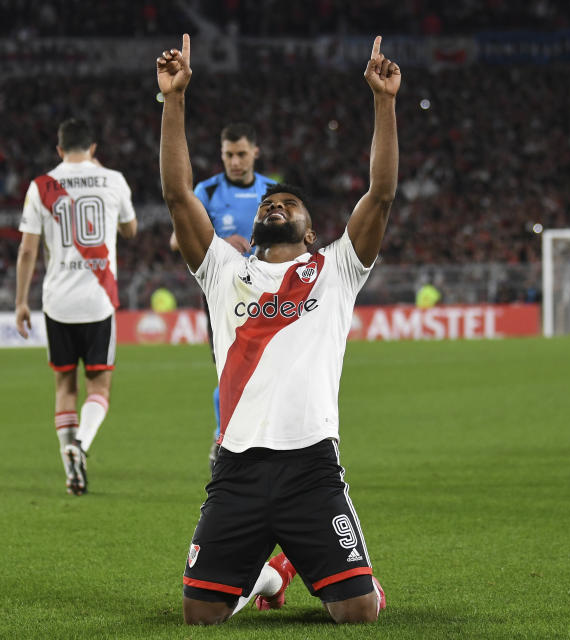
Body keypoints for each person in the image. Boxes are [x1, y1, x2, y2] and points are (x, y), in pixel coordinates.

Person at [157, 33, 398, 625]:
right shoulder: (223, 272)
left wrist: (385, 103)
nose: (274, 207)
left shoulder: (335, 269)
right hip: (237, 466)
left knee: (360, 614)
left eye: (288, 205)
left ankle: (312, 567)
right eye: (270, 204)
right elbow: (176, 195)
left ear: (311, 231)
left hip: (311, 466)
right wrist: (174, 100)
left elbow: (382, 193)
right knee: (198, 615)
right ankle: (268, 574)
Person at [15, 118, 138, 494]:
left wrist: (21, 301)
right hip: (98, 299)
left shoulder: (41, 186)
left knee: (64, 385)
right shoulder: (113, 180)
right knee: (99, 385)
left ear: (59, 150)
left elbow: (28, 250)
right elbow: (131, 230)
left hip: (57, 302)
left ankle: (70, 463)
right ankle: (80, 446)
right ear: (93, 149)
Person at [169, 123, 276, 471]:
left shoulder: (273, 192)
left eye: (242, 154)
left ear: (255, 152)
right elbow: (176, 240)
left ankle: (266, 441)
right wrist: (218, 242)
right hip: (223, 297)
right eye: (229, 154)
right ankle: (224, 437)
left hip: (268, 293)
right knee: (230, 371)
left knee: (270, 370)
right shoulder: (207, 190)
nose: (235, 161)